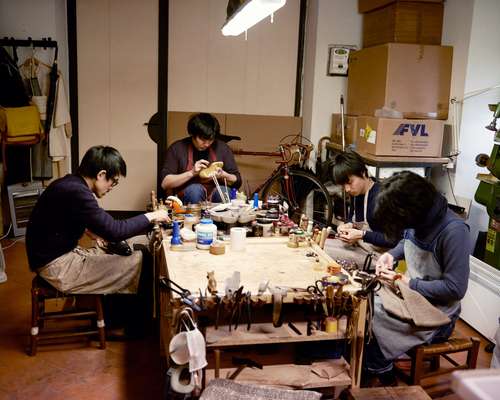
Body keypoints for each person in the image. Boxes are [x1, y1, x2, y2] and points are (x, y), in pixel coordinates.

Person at [365, 171, 471, 385]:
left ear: (411, 212)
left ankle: (379, 370)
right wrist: (390, 255)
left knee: (375, 317)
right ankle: (373, 362)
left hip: (438, 314)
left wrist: (408, 283)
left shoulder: (454, 232)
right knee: (362, 303)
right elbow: (407, 241)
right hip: (410, 295)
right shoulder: (420, 218)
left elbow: (456, 288)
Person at [26, 145, 169, 294]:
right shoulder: (77, 191)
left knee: (128, 248)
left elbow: (63, 219)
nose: (112, 187)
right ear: (101, 174)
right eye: (113, 182)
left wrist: (92, 232)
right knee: (140, 261)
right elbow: (116, 231)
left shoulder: (71, 183)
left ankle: (107, 314)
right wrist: (153, 215)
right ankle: (126, 316)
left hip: (53, 257)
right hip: (57, 267)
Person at [326, 150, 399, 266]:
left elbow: (394, 239)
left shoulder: (382, 197)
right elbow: (352, 219)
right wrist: (347, 226)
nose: (347, 189)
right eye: (343, 185)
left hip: (379, 257)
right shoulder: (357, 194)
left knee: (326, 255)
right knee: (320, 246)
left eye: (350, 182)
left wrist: (362, 234)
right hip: (360, 247)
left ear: (363, 172)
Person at [160, 113, 242, 204]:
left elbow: (237, 181)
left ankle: (221, 218)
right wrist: (192, 173)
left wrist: (223, 175)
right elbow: (165, 183)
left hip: (216, 198)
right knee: (195, 190)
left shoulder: (222, 148)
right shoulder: (177, 148)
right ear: (193, 134)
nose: (207, 144)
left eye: (211, 140)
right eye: (203, 139)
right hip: (188, 201)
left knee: (223, 191)